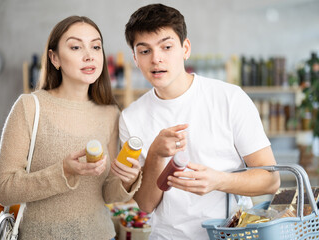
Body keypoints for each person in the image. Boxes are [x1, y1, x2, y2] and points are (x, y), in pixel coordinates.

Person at [120, 4, 280, 239]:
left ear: (185, 48)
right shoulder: (130, 118)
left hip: (230, 234)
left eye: (166, 47)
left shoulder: (229, 98)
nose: (156, 59)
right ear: (135, 57)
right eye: (145, 51)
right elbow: (144, 205)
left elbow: (270, 180)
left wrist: (218, 181)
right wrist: (155, 155)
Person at [0, 16, 142, 240]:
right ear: (54, 58)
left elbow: (107, 193)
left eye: (96, 46)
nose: (89, 55)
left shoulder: (110, 113)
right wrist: (64, 171)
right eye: (75, 47)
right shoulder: (29, 107)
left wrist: (127, 179)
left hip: (101, 235)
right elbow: (5, 191)